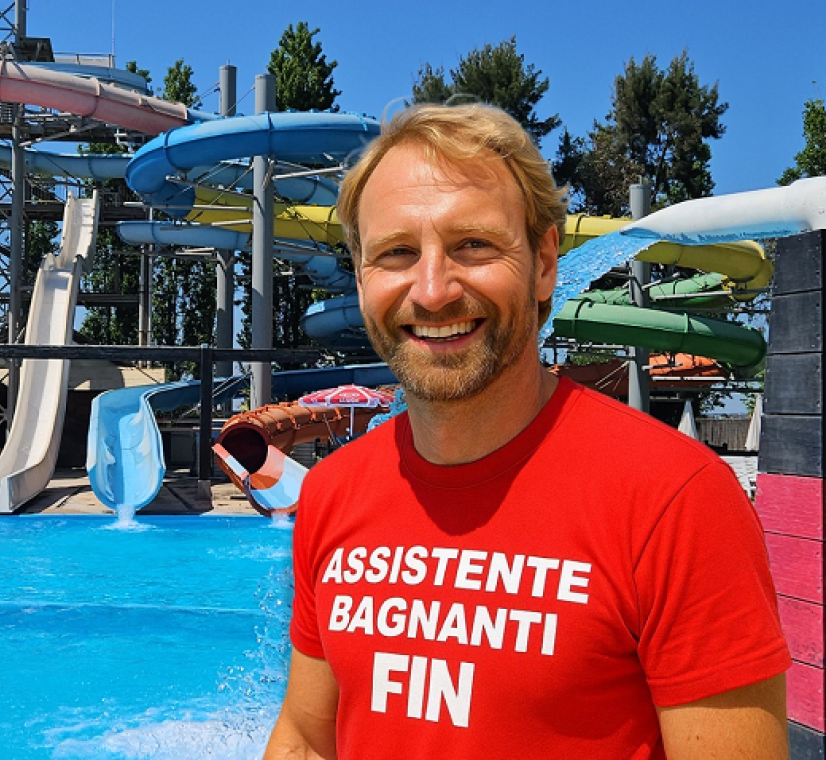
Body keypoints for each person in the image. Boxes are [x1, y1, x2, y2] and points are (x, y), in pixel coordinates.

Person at [265, 104, 790, 759]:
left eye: (474, 245)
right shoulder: (333, 492)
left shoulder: (676, 501)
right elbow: (307, 738)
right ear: (363, 273)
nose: (431, 291)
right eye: (397, 252)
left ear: (544, 265)